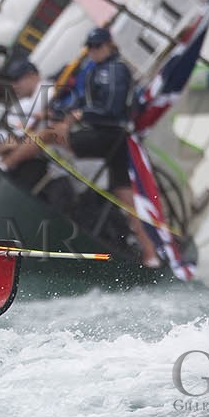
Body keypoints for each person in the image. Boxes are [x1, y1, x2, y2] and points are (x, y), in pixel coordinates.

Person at [63, 27, 159, 267]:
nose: (93, 52)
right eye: (90, 47)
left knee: (49, 136)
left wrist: (79, 115)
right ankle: (150, 253)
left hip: (111, 136)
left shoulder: (115, 70)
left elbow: (111, 110)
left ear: (107, 46)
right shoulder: (95, 68)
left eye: (97, 47)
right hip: (107, 135)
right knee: (123, 194)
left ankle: (9, 161)